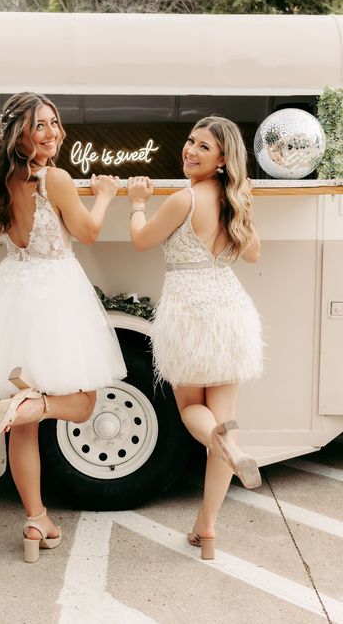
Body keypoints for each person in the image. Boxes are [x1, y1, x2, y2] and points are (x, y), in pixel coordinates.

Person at [0, 92, 126, 563]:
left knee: (25, 428)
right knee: (82, 404)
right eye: (42, 125)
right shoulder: (54, 178)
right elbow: (89, 233)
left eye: (55, 124)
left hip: (13, 291)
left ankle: (37, 520)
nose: (53, 132)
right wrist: (103, 195)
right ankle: (32, 402)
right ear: (21, 132)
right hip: (56, 293)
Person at [127, 116, 263, 561]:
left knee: (191, 410)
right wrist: (241, 201)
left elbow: (141, 241)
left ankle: (228, 447)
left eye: (203, 147)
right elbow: (254, 252)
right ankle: (207, 530)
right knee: (221, 416)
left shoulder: (183, 198)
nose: (190, 150)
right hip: (230, 309)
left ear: (223, 158)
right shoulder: (232, 198)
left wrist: (137, 203)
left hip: (188, 312)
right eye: (190, 141)